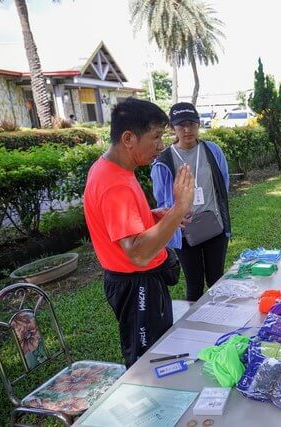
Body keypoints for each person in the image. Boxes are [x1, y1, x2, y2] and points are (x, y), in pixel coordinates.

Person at [83, 98, 194, 367]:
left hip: (142, 282)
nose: (160, 145)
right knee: (148, 362)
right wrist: (179, 209)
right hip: (136, 285)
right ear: (129, 138)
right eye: (156, 137)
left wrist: (159, 216)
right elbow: (139, 253)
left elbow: (123, 225)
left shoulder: (116, 170)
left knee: (160, 351)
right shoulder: (114, 184)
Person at [152, 102, 231, 302]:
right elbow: (161, 200)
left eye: (192, 124)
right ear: (172, 128)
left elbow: (224, 183)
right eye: (181, 125)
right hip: (185, 234)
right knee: (194, 285)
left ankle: (220, 319)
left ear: (198, 124)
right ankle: (196, 330)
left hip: (215, 227)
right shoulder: (164, 160)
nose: (187, 130)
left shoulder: (212, 150)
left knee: (217, 280)